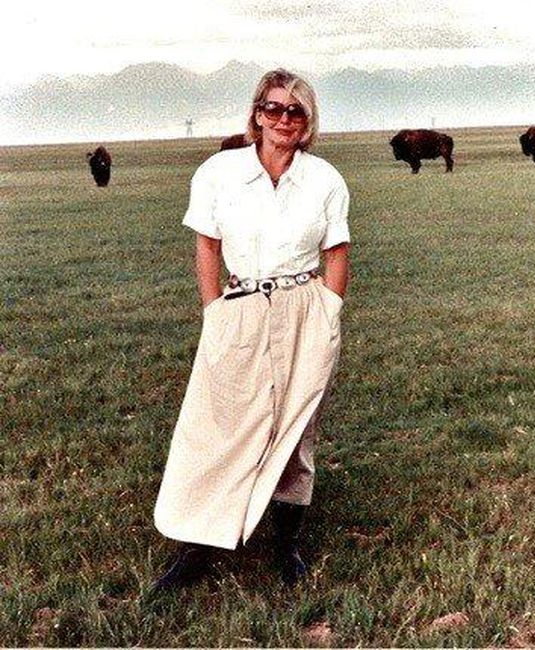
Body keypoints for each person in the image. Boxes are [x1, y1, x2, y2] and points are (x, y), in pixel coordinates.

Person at [152, 68, 350, 591]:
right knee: (221, 427)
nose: (284, 119)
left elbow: (336, 253)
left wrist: (328, 313)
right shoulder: (219, 172)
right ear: (256, 114)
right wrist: (214, 310)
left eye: (296, 110)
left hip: (304, 307)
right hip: (239, 306)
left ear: (308, 122)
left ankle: (285, 545)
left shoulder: (325, 179)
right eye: (273, 108)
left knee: (295, 427)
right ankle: (198, 547)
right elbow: (207, 246)